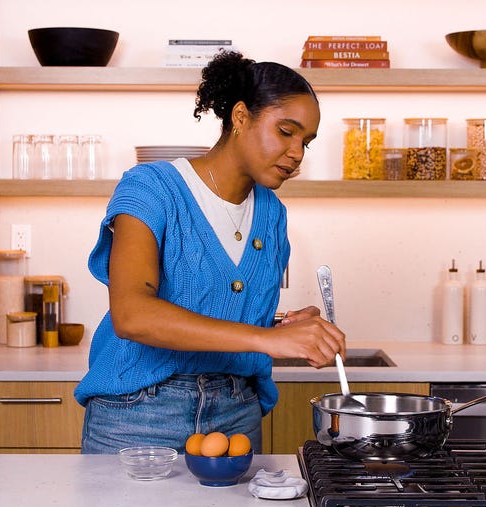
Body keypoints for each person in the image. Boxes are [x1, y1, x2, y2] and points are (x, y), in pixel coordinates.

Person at [75, 51, 345, 454]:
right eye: (286, 131)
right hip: (139, 414)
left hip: (237, 414)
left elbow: (210, 309)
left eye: (305, 142)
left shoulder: (272, 214)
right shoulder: (150, 189)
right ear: (240, 117)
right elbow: (133, 314)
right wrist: (266, 341)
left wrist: (278, 330)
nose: (297, 153)